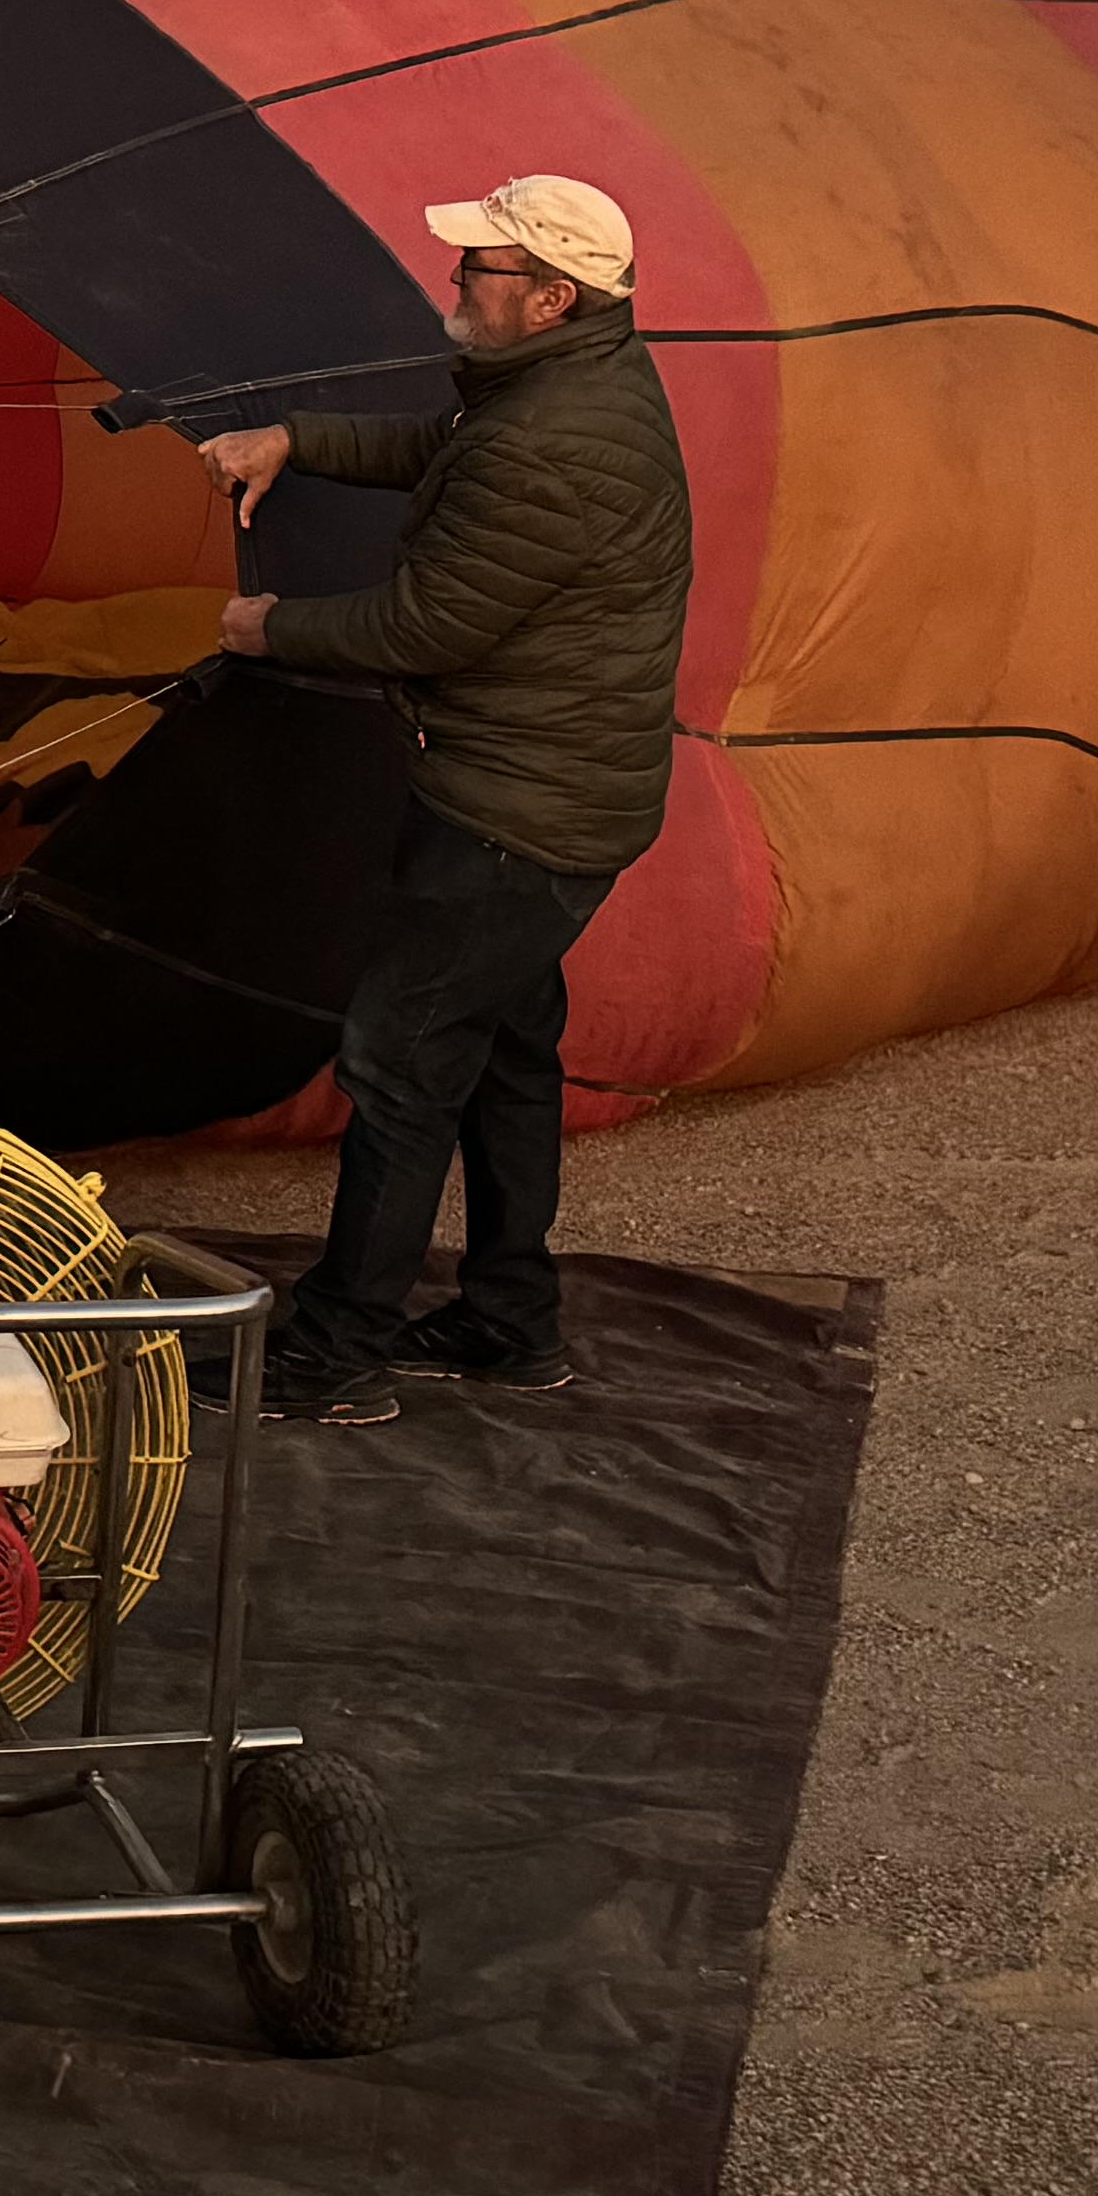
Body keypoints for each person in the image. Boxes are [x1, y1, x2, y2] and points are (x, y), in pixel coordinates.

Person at [201, 174, 692, 1426]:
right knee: (508, 1055)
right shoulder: (565, 385)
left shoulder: (551, 441)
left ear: (551, 296)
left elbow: (426, 625)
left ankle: (336, 1353)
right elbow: (445, 452)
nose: (458, 279)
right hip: (549, 795)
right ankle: (510, 1320)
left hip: (514, 817)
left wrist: (269, 628)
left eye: (481, 266)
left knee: (402, 1064)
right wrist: (297, 439)